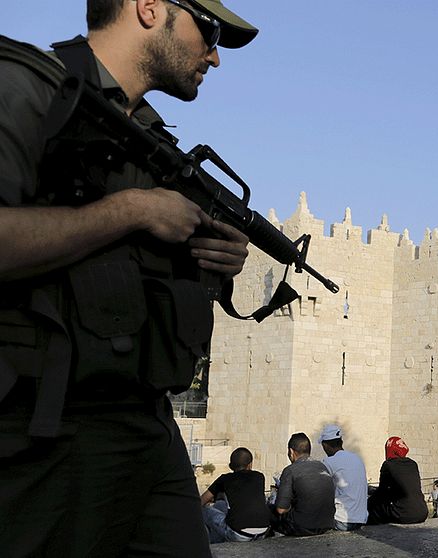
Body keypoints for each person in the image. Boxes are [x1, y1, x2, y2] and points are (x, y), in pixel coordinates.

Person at [0, 2, 256, 556]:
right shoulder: (26, 88)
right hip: (42, 428)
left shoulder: (153, 141)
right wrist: (130, 211)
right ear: (148, 8)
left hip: (147, 424)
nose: (213, 55)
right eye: (207, 31)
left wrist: (212, 257)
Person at [200, 447, 270, 543]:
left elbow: (202, 500)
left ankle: (211, 545)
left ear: (230, 466)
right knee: (221, 506)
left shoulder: (225, 479)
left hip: (239, 535)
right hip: (263, 532)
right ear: (250, 465)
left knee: (204, 510)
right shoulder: (259, 477)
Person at [272, 432, 336, 536]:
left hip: (302, 527)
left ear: (291, 451)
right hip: (326, 524)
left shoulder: (290, 470)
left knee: (271, 511)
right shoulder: (323, 467)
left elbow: (281, 509)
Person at [367, 436, 429, 525]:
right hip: (422, 513)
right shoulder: (413, 464)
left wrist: (370, 499)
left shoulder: (388, 465)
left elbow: (382, 492)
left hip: (404, 514)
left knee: (374, 507)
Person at [319, 424, 368, 531]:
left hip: (342, 520)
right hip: (361, 519)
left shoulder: (329, 462)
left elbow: (318, 487)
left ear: (325, 445)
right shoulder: (357, 458)